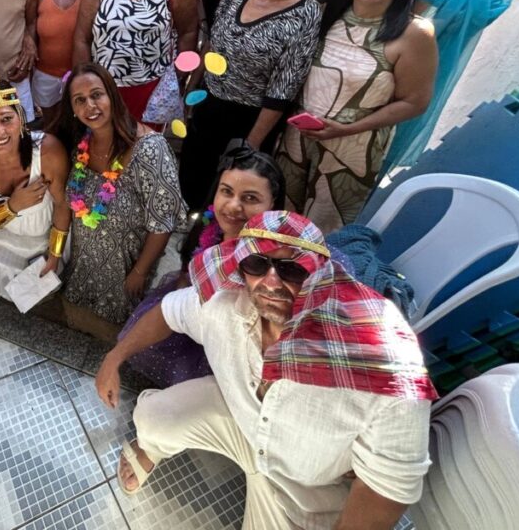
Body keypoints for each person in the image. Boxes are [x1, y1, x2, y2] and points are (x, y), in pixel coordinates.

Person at [97, 211, 435, 529]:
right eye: (258, 264)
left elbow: (389, 486)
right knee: (155, 418)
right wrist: (114, 357)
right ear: (241, 268)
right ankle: (152, 448)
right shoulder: (224, 303)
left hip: (304, 485)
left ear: (318, 274)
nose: (271, 282)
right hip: (242, 422)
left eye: (291, 269)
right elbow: (167, 312)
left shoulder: (383, 362)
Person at [277, 0, 437, 233]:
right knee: (276, 220)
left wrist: (348, 129)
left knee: (318, 236)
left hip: (350, 154)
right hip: (295, 140)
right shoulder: (328, 13)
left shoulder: (414, 34)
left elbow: (415, 102)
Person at [179, 0, 323, 210]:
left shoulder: (306, 13)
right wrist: (191, 92)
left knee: (233, 191)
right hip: (209, 100)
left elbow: (283, 88)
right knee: (192, 177)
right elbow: (213, 44)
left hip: (250, 117)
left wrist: (252, 143)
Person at [120, 140, 285, 387]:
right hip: (189, 309)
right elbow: (188, 269)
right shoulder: (210, 227)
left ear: (272, 204)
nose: (233, 206)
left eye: (250, 198)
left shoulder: (273, 261)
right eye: (226, 191)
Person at [51, 64, 186, 342]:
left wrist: (139, 272)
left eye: (96, 95)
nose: (90, 106)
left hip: (128, 272)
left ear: (112, 95)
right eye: (79, 100)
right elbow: (66, 202)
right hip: (84, 268)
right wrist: (54, 253)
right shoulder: (80, 144)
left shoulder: (150, 149)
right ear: (72, 109)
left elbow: (163, 223)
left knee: (118, 336)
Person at [0, 76, 71, 324]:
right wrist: (11, 207)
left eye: (6, 119)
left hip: (46, 236)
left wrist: (54, 254)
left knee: (45, 285)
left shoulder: (48, 150)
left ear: (21, 118)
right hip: (1, 236)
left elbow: (63, 205)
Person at [33, 0, 97, 124]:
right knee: (50, 126)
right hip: (44, 74)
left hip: (81, 74)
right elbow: (28, 23)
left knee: (79, 126)